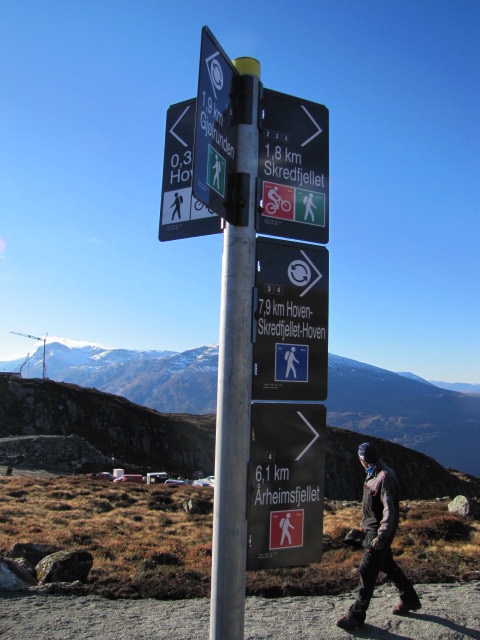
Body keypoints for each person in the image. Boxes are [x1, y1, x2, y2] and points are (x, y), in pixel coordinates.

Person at [336, 442, 421, 630]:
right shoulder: (375, 473)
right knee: (387, 564)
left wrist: (380, 537)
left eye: (360, 458)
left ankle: (356, 614)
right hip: (371, 530)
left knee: (367, 571)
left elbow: (389, 512)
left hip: (378, 533)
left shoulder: (384, 478)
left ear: (363, 459)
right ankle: (410, 598)